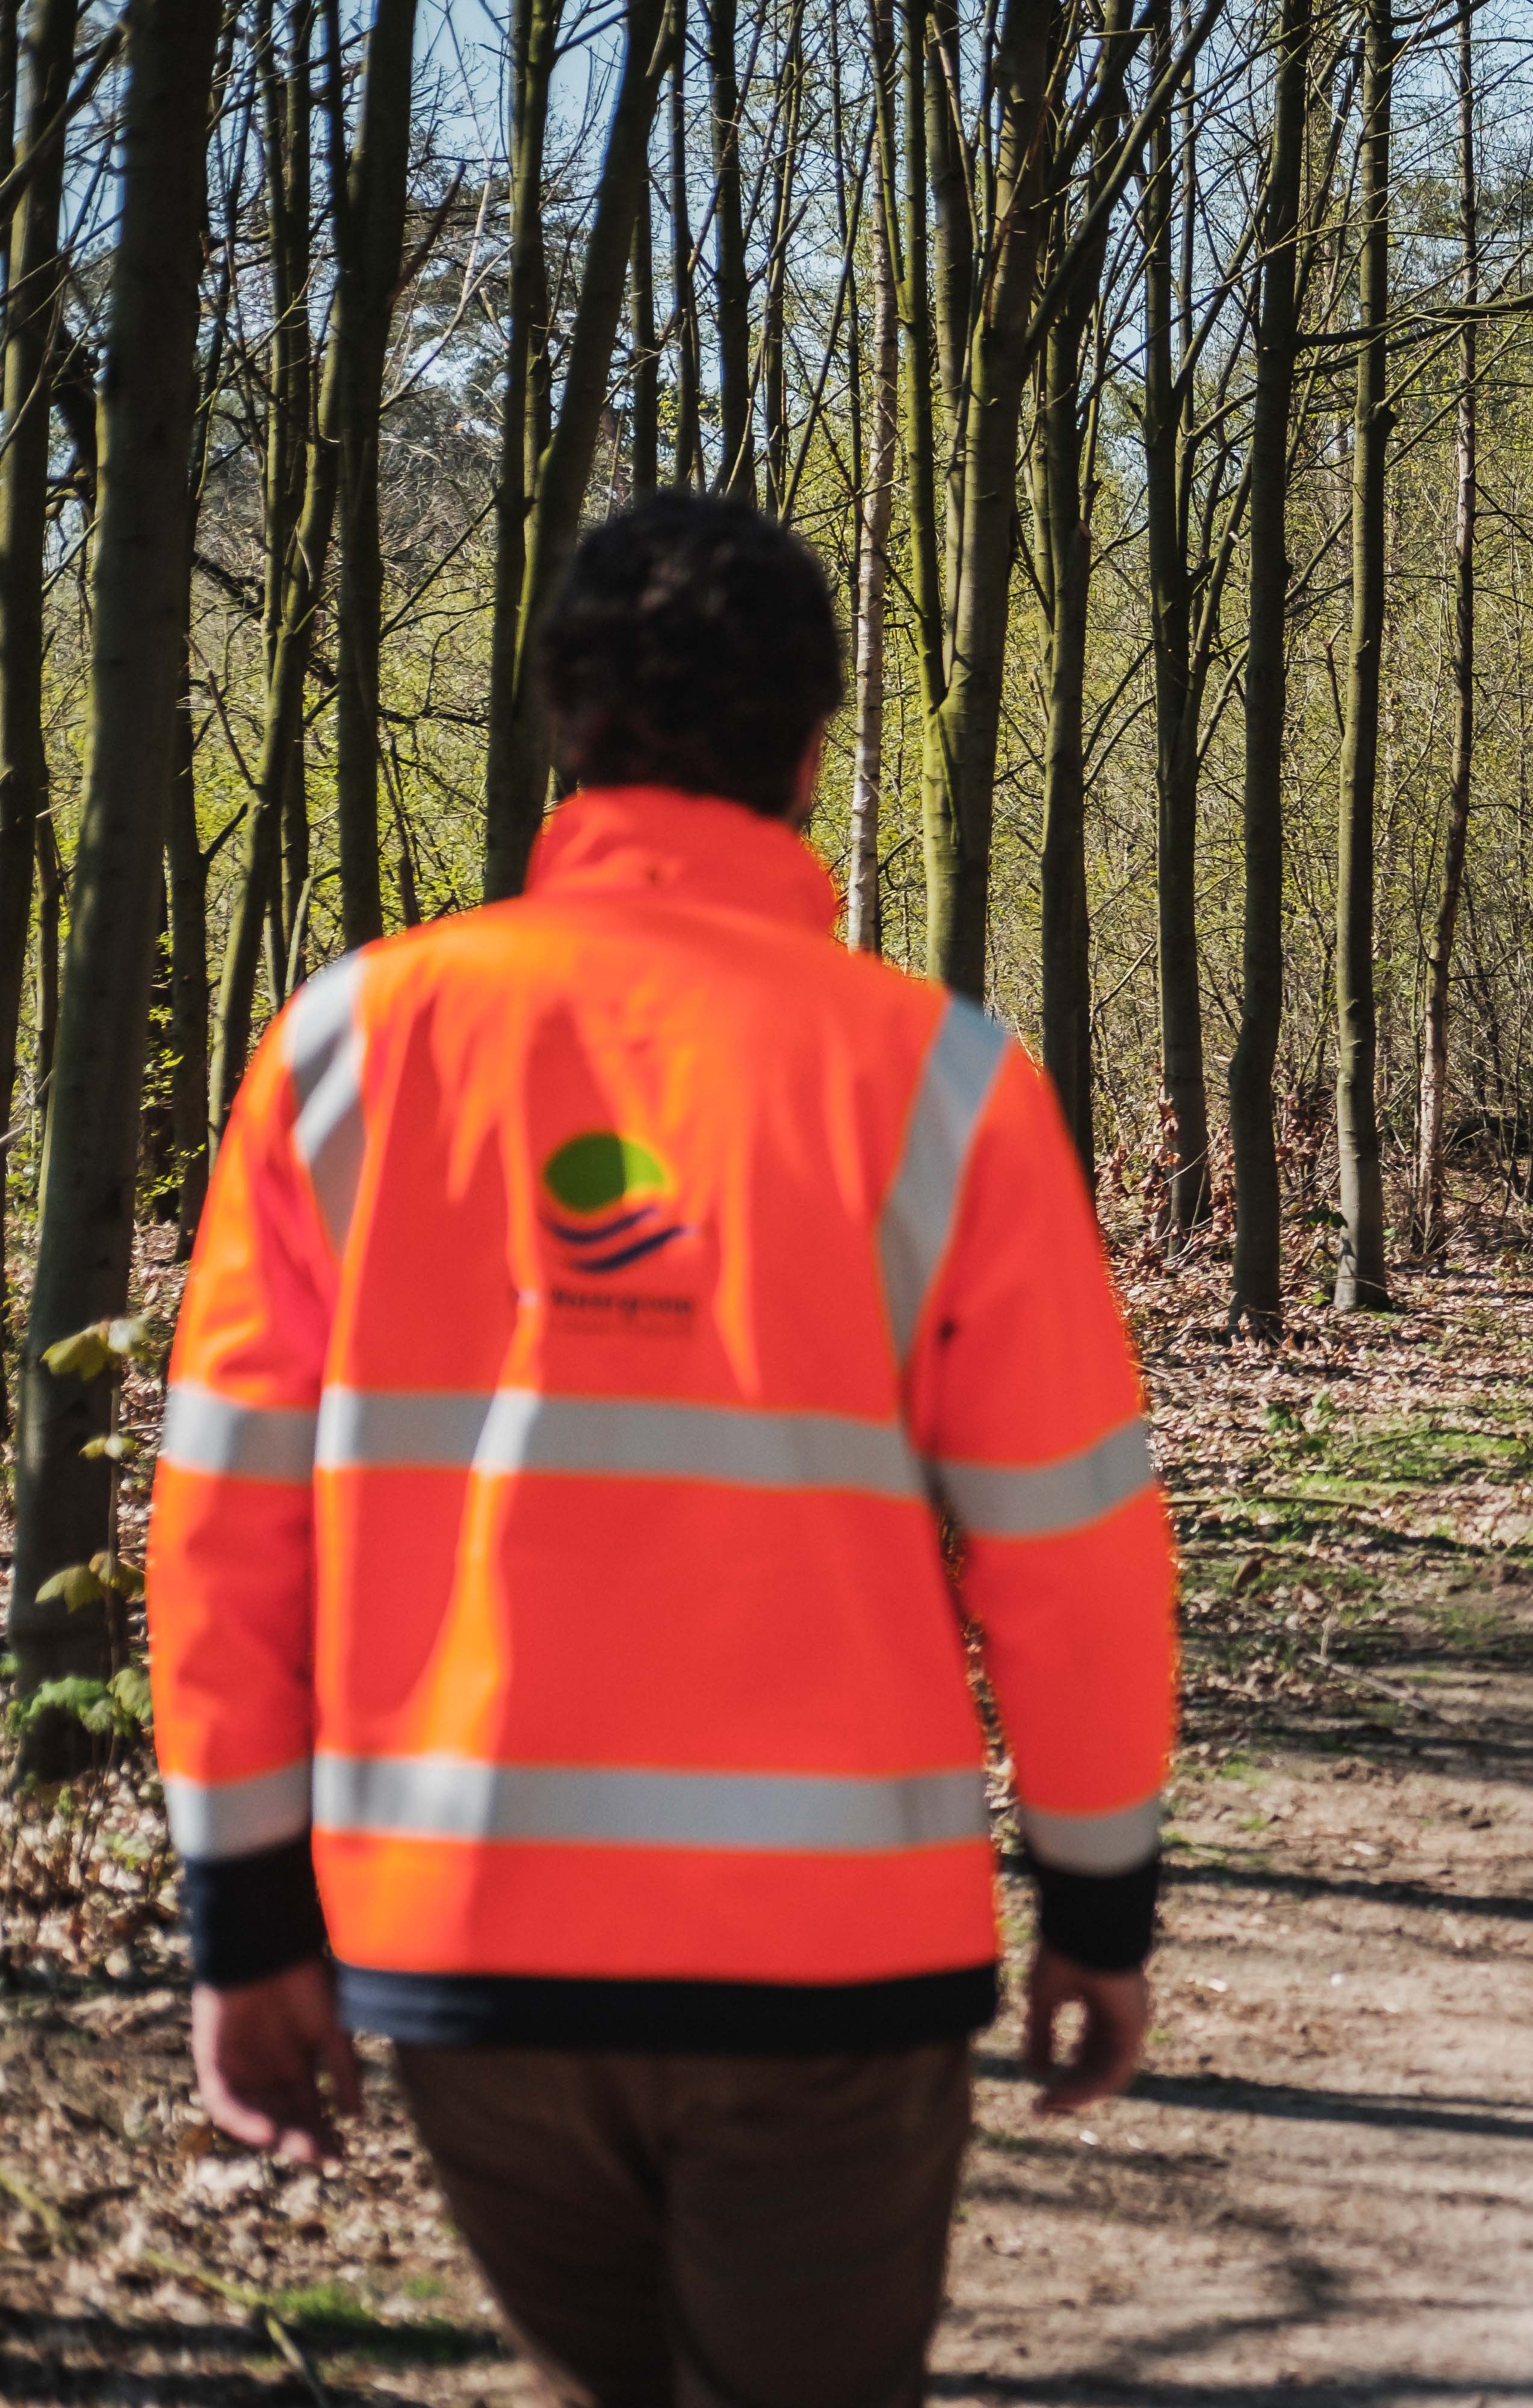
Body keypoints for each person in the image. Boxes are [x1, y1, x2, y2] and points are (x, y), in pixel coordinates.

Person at [146, 491, 1179, 2407]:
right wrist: (1100, 1905)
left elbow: (225, 1529)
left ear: (562, 731)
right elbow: (1073, 1544)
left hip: (465, 1953)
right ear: (813, 749)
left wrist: (246, 1918)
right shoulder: (941, 1080)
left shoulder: (349, 1052)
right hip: (834, 1976)